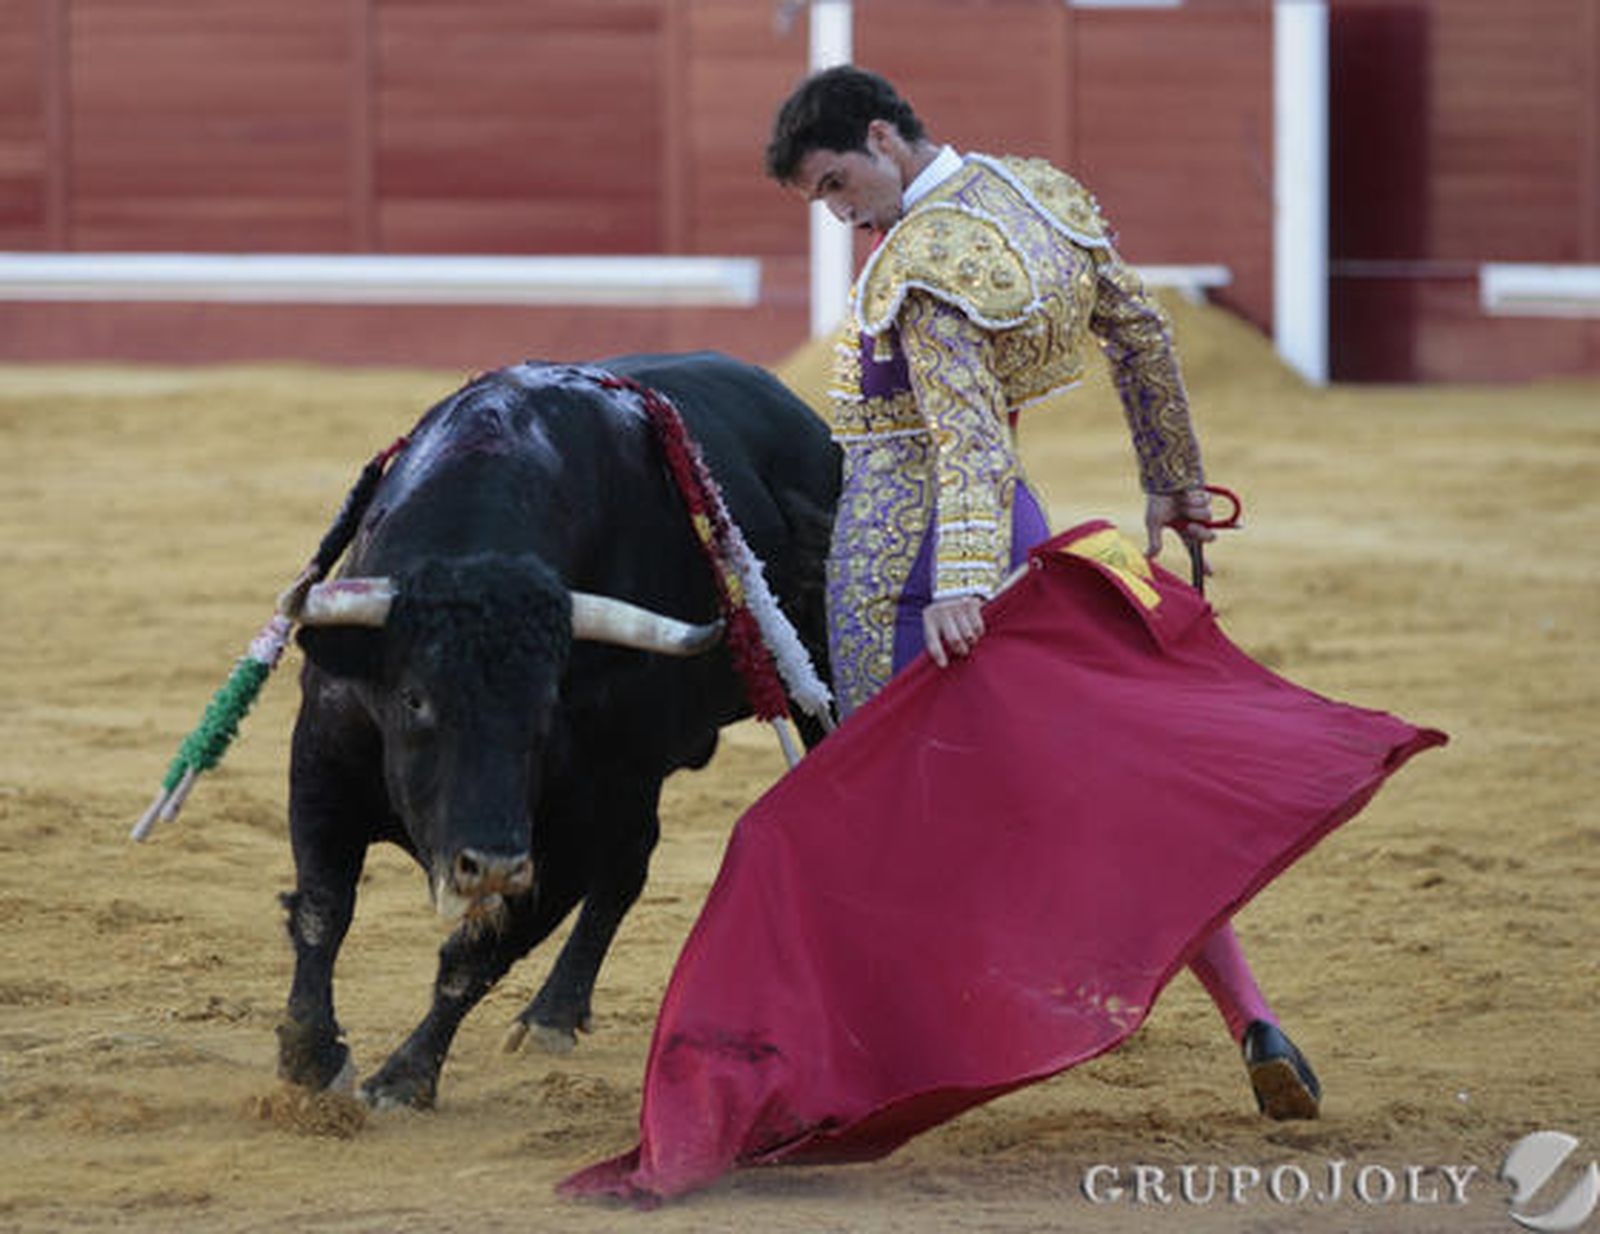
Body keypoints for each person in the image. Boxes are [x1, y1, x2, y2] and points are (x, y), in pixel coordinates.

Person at [764, 65, 1319, 1121]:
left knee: (876, 812)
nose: (840, 216)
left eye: (838, 184)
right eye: (821, 201)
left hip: (902, 570)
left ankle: (880, 1058)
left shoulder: (922, 263)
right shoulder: (1034, 193)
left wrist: (959, 586)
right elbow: (1140, 330)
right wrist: (1172, 479)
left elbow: (963, 439)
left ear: (882, 137)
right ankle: (1251, 1015)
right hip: (1022, 528)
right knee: (1104, 784)